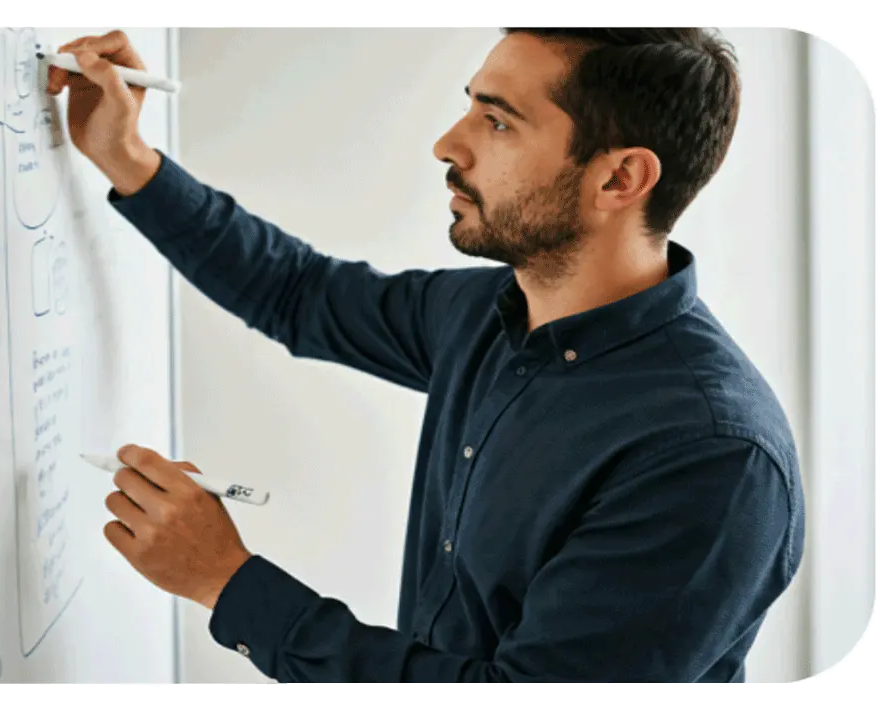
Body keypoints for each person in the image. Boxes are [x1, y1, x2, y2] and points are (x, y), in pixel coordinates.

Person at [47, 27, 805, 686]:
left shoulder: (711, 455)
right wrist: (126, 157)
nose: (448, 144)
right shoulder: (486, 313)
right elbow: (300, 293)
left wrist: (228, 582)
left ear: (618, 178)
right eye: (470, 105)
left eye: (497, 121)